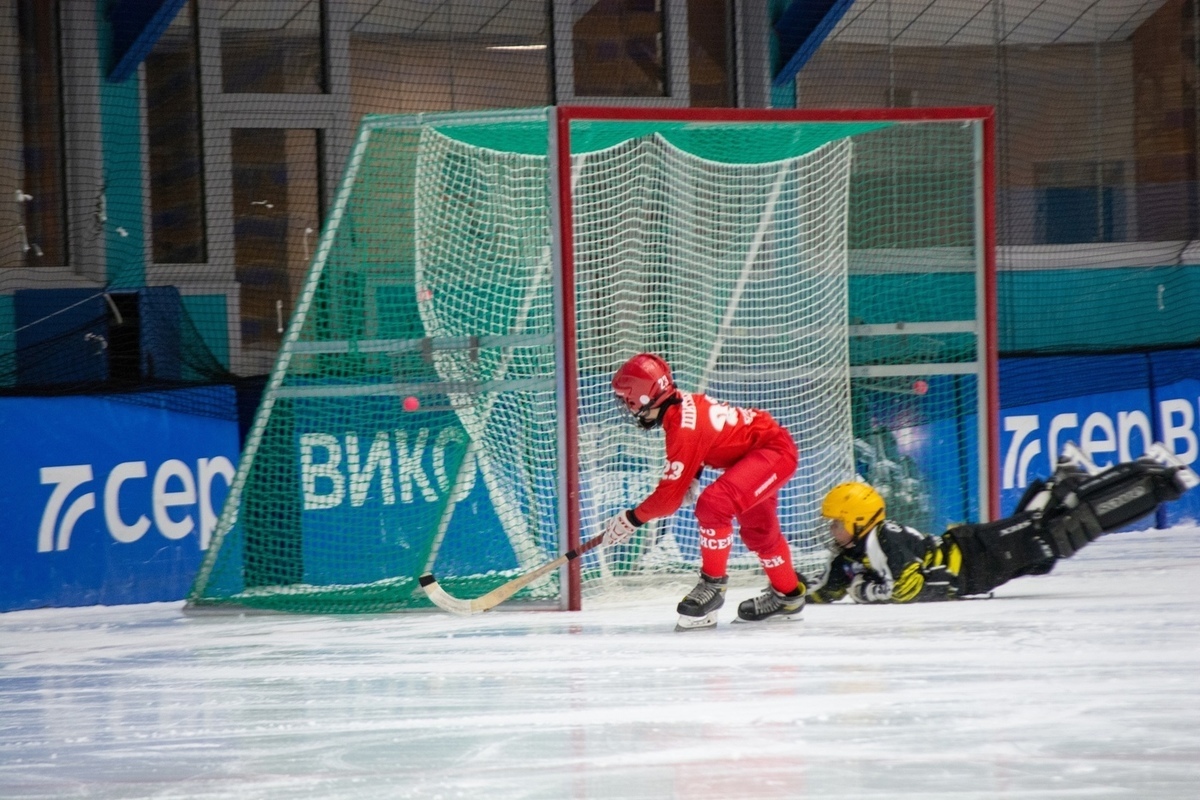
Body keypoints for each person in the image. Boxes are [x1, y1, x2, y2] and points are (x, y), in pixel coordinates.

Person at [806, 443, 1196, 604]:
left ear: (859, 521)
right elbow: (826, 591)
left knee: (1060, 532)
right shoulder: (854, 550)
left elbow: (907, 588)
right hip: (981, 561)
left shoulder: (882, 537)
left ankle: (1159, 482)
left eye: (837, 523)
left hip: (979, 556)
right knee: (1047, 529)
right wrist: (792, 589)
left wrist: (864, 591)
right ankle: (1067, 479)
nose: (832, 531)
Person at [602, 353, 805, 630]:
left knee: (713, 505)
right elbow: (706, 441)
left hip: (773, 452)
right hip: (760, 452)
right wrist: (692, 477)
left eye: (627, 399)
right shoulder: (679, 407)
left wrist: (632, 518)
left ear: (644, 398)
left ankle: (713, 588)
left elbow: (667, 501)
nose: (626, 407)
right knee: (760, 531)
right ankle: (788, 597)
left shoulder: (681, 428)